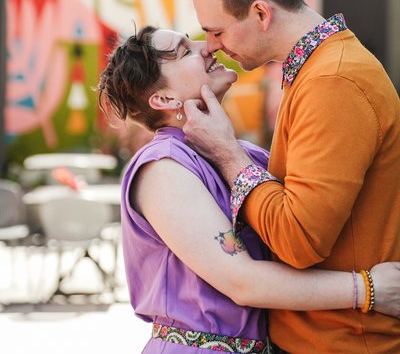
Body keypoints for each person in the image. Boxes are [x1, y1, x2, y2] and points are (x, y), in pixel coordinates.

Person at [97, 25, 400, 354]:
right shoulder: (163, 168)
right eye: (184, 51)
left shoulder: (244, 156)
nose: (206, 47)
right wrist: (367, 289)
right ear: (165, 99)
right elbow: (241, 281)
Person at [182, 0, 400, 353]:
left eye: (217, 31)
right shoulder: (322, 69)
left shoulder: (334, 80)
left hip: (340, 343)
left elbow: (299, 240)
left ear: (261, 13)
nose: (211, 47)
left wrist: (228, 154)